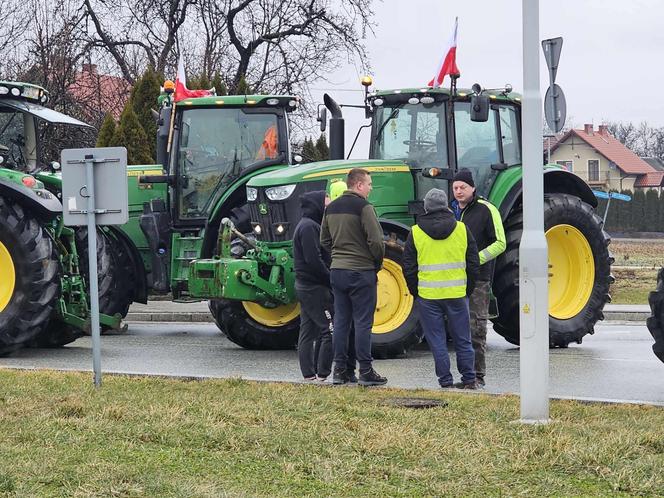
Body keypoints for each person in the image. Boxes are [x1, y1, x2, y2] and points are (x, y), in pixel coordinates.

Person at [403, 188, 480, 389]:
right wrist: (467, 288)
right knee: (463, 339)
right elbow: (473, 263)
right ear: (446, 205)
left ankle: (445, 381)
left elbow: (409, 267)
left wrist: (416, 292)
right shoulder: (462, 229)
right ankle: (469, 379)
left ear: (426, 208)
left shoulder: (416, 232)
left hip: (428, 296)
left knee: (436, 341)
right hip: (457, 294)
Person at [320, 168, 387, 386]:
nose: (370, 188)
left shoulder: (331, 209)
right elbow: (376, 241)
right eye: (368, 184)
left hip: (338, 272)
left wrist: (337, 258)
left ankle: (340, 371)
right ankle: (365, 370)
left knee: (341, 322)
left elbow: (324, 240)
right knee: (362, 323)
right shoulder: (364, 207)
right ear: (358, 185)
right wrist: (375, 263)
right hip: (361, 271)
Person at [450, 168, 506, 388]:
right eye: (455, 187)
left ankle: (477, 376)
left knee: (476, 326)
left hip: (478, 278)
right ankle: (465, 376)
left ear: (472, 188)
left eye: (462, 187)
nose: (458, 191)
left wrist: (475, 259)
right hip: (453, 278)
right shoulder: (450, 211)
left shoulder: (487, 210)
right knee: (458, 329)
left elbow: (500, 243)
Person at [293, 190, 334, 382]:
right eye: (326, 205)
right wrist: (330, 278)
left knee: (308, 330)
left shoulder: (306, 225)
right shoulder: (310, 227)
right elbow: (314, 260)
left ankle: (309, 374)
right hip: (314, 287)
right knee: (329, 330)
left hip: (304, 286)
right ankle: (323, 373)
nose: (328, 209)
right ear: (317, 205)